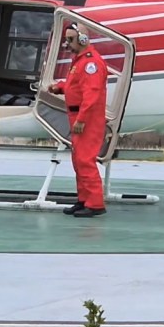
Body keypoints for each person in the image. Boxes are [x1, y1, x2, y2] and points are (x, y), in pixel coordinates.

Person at [48, 22, 108, 217]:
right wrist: (61, 87)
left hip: (87, 118)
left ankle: (95, 203)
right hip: (77, 115)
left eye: (71, 39)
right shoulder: (80, 62)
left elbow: (91, 94)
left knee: (85, 160)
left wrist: (81, 120)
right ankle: (83, 199)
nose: (68, 44)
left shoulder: (91, 63)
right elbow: (77, 86)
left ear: (83, 39)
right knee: (78, 161)